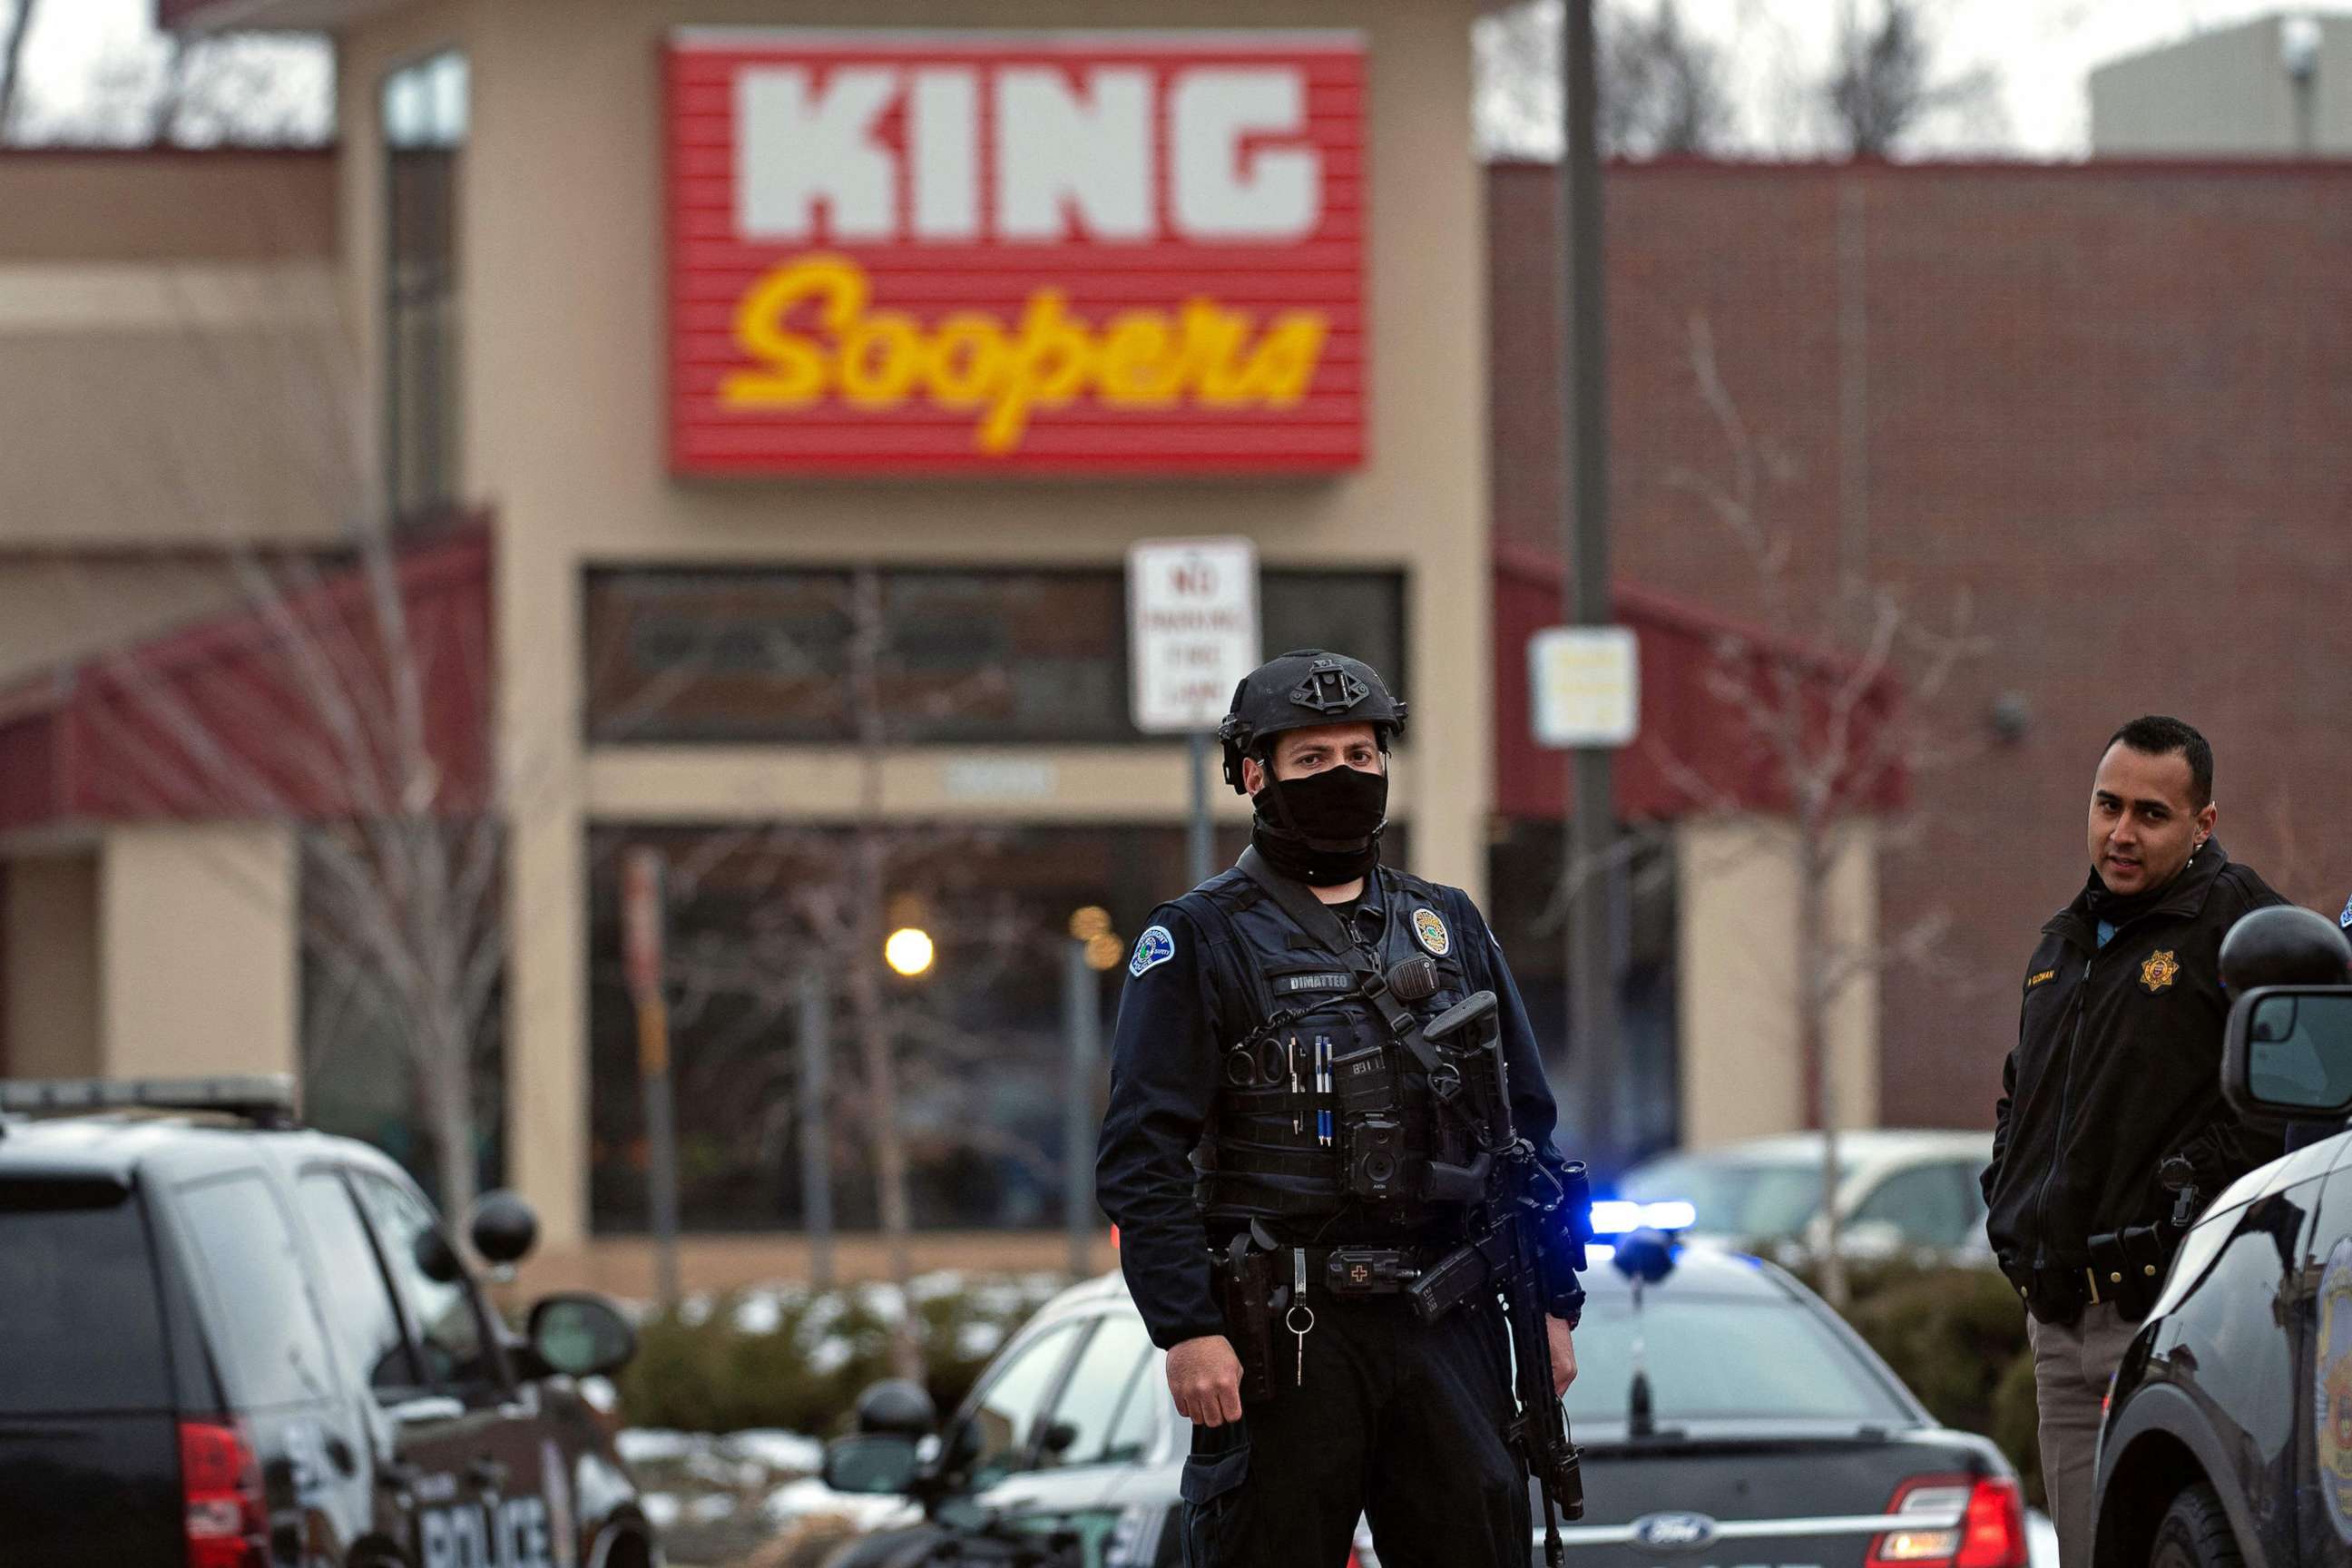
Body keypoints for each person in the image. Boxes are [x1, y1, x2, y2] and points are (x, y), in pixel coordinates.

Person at [1094, 649, 1581, 1568]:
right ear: (1252, 774)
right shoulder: (1197, 938)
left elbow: (1527, 1130)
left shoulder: (1450, 925)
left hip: (1450, 1320)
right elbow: (1140, 1157)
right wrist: (1188, 1327)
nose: (1344, 777)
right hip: (1288, 1332)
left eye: (1361, 755)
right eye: (1312, 761)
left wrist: (1553, 1304)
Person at [1981, 715, 2287, 1567]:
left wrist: (2184, 1198)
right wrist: (2002, 1196)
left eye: (2151, 814)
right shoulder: (2061, 944)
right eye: (2107, 805)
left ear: (2204, 825)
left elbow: (2297, 1090)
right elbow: (2023, 1096)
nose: (2121, 832)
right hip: (2057, 1325)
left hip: (2166, 1318)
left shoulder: (2244, 928)